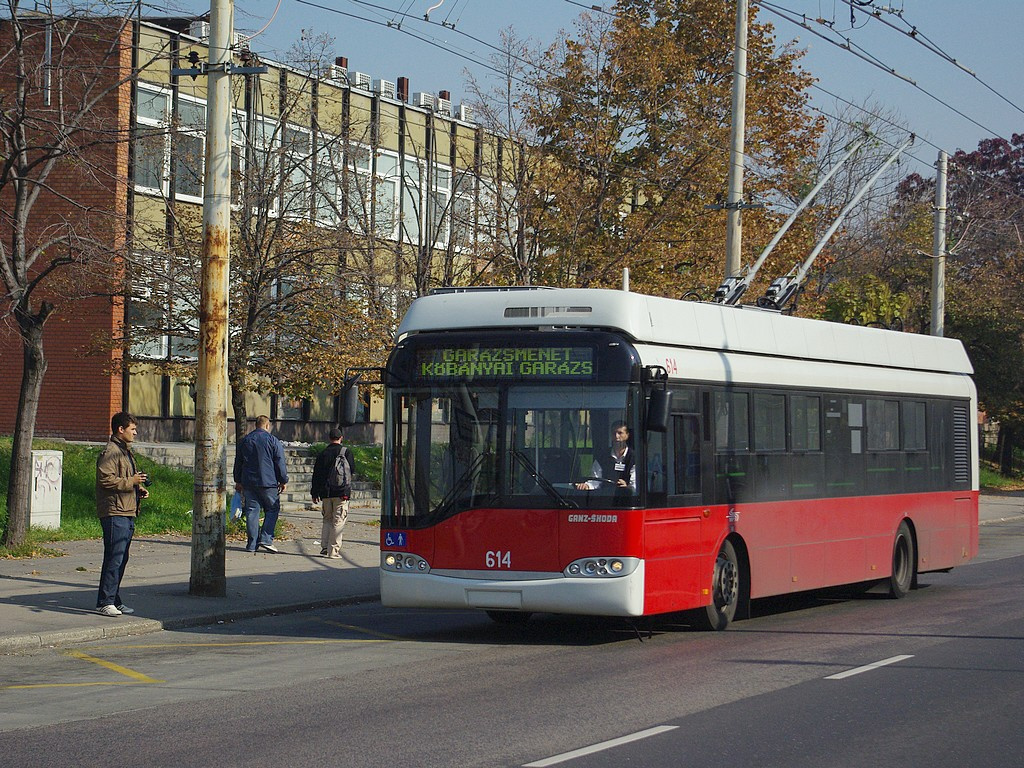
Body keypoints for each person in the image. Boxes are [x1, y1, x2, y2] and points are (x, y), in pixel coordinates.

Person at [95, 411, 149, 616]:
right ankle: (104, 601)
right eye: (132, 429)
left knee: (121, 557)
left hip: (127, 509)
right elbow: (106, 480)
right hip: (114, 511)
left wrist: (138, 488)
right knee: (114, 557)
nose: (135, 433)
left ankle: (114, 599)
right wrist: (131, 482)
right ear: (121, 429)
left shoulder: (125, 451)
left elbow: (124, 478)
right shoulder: (111, 451)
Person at [233, 415, 289, 553]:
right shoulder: (272, 440)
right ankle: (266, 538)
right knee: (272, 509)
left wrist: (238, 480)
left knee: (252, 512)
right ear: (267, 426)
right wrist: (283, 480)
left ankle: (252, 545)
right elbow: (279, 462)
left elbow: (238, 461)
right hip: (268, 482)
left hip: (249, 482)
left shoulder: (245, 440)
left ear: (255, 425)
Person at [310, 427, 355, 559]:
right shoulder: (346, 452)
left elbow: (316, 475)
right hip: (342, 493)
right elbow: (351, 470)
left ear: (329, 438)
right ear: (341, 438)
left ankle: (324, 547)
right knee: (338, 521)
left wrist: (314, 493)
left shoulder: (323, 453)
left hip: (325, 493)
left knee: (327, 520)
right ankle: (333, 551)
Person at [575, 421, 637, 492]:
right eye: (614, 433)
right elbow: (595, 480)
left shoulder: (634, 458)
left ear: (627, 435)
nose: (616, 436)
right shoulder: (602, 456)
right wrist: (586, 486)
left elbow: (635, 485)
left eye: (620, 433)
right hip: (605, 497)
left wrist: (627, 487)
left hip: (628, 499)